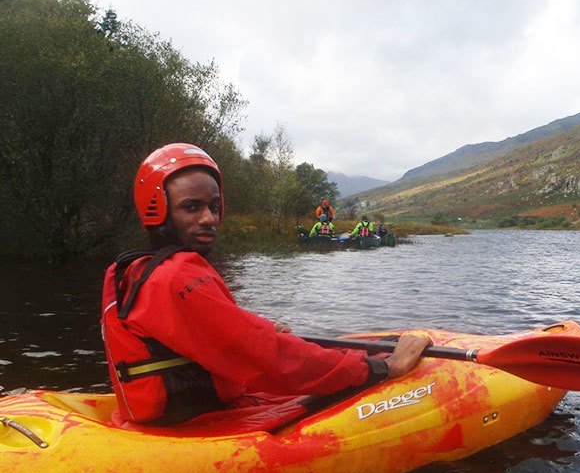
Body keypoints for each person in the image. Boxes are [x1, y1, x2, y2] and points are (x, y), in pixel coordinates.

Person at [100, 143, 429, 426]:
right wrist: (383, 366)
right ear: (157, 208)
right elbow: (271, 358)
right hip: (197, 422)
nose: (208, 219)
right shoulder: (175, 279)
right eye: (191, 207)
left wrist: (261, 329)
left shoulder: (138, 270)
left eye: (214, 207)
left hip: (178, 412)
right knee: (343, 376)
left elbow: (213, 331)